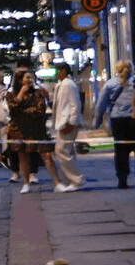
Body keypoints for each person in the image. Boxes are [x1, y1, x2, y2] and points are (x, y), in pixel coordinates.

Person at [7, 66, 51, 194]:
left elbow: (40, 109)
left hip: (35, 128)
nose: (30, 79)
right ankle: (25, 181)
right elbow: (13, 108)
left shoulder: (37, 92)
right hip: (19, 129)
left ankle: (44, 177)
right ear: (20, 80)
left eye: (31, 77)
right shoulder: (12, 92)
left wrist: (23, 111)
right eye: (27, 77)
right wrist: (21, 94)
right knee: (22, 155)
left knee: (43, 154)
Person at [94, 60, 134, 189]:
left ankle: (122, 179)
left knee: (121, 150)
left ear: (117, 70)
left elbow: (101, 104)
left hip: (118, 120)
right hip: (133, 119)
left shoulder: (110, 84)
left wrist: (98, 121)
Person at [49, 62, 87, 192]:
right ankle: (69, 180)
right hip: (63, 122)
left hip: (68, 122)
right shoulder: (62, 84)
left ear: (64, 71)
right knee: (66, 151)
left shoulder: (69, 84)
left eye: (58, 71)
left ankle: (77, 180)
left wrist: (72, 122)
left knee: (61, 150)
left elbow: (74, 104)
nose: (56, 74)